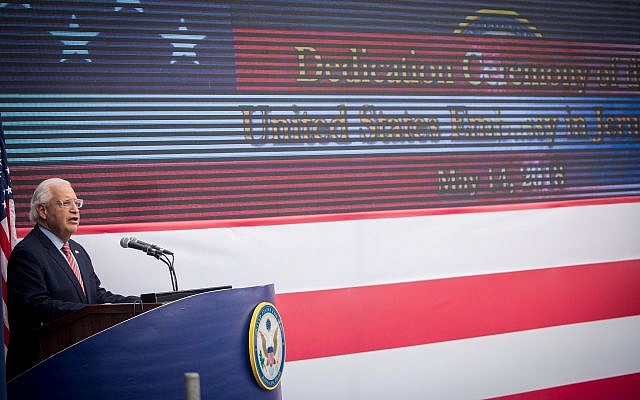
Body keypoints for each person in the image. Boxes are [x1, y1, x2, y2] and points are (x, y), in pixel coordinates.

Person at [6, 178, 139, 380]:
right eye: (65, 203)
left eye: (77, 203)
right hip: (42, 370)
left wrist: (140, 303)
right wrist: (91, 313)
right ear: (43, 211)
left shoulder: (77, 251)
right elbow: (37, 306)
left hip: (81, 364)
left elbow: (97, 296)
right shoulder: (27, 253)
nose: (75, 210)